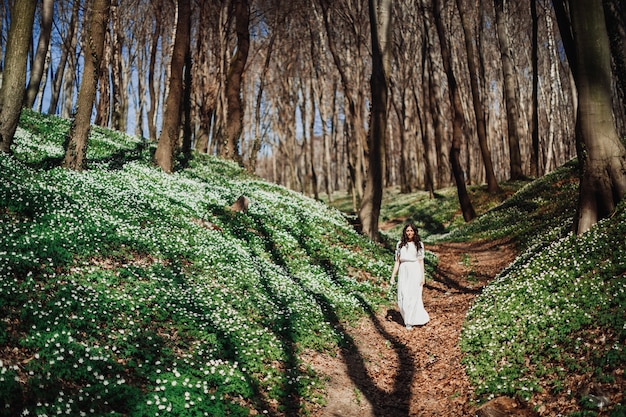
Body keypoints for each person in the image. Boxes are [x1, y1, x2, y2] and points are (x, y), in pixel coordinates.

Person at [389, 223, 430, 329]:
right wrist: (393, 275)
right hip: (404, 271)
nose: (409, 233)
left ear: (414, 232)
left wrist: (422, 276)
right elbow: (397, 262)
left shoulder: (419, 244)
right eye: (407, 231)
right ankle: (407, 318)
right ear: (405, 232)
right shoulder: (400, 244)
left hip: (414, 270)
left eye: (411, 231)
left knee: (413, 296)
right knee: (403, 295)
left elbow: (421, 261)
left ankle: (410, 321)